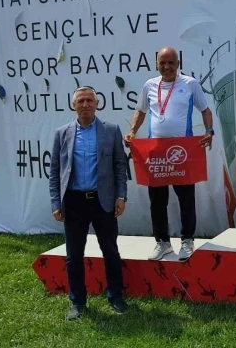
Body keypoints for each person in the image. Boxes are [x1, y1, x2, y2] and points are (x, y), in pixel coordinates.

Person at [124, 47, 214, 261]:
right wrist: (132, 132)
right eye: (162, 63)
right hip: (156, 152)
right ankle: (162, 242)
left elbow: (206, 111)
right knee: (157, 200)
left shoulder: (190, 84)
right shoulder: (149, 85)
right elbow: (141, 110)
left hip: (182, 151)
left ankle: (187, 241)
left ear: (178, 63)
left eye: (170, 63)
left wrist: (209, 131)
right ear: (156, 64)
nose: (166, 67)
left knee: (186, 198)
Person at [49, 86, 129, 321]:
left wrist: (121, 196)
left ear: (97, 103)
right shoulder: (61, 133)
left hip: (103, 201)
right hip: (73, 203)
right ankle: (78, 302)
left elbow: (120, 167)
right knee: (74, 255)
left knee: (110, 251)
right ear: (74, 105)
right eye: (80, 101)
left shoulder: (111, 131)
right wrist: (56, 202)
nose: (85, 104)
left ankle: (115, 296)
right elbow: (55, 171)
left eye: (89, 100)